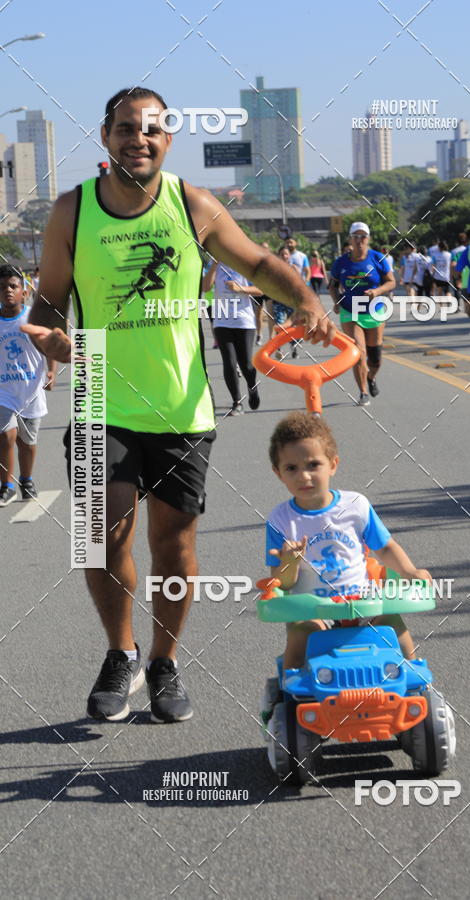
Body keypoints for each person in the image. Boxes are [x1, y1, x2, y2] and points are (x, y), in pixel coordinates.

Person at [22, 86, 335, 724]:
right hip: (99, 399)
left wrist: (306, 300)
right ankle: (120, 653)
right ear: (106, 137)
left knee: (174, 547)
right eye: (126, 129)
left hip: (179, 409)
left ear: (167, 140)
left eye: (153, 130)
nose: (139, 139)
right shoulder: (71, 212)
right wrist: (54, 337)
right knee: (99, 537)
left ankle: (163, 661)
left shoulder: (192, 205)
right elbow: (49, 302)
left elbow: (260, 260)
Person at [265, 413, 431, 670]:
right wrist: (289, 563)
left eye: (313, 465)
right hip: (314, 611)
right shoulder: (281, 519)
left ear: (332, 464)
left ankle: (415, 679)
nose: (304, 477)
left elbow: (385, 547)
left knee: (393, 624)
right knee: (300, 636)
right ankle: (290, 696)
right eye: (291, 468)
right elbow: (282, 582)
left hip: (363, 603)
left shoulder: (355, 505)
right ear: (278, 473)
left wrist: (409, 571)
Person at [0, 265, 56, 506]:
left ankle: (26, 479)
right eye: (2, 288)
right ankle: (7, 485)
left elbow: (49, 345)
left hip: (31, 391)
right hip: (4, 393)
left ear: (24, 291)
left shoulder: (34, 318)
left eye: (13, 286)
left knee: (27, 443)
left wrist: (51, 371)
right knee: (5, 436)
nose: (8, 291)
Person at [329, 222, 395, 406]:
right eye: (356, 237)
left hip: (374, 310)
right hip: (350, 310)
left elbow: (391, 282)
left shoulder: (378, 258)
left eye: (363, 236)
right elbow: (332, 285)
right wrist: (336, 302)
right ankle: (363, 392)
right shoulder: (341, 262)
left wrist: (378, 291)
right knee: (358, 352)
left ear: (368, 239)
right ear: (350, 239)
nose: (360, 240)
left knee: (376, 359)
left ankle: (371, 377)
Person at [202, 261, 261, 416]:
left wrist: (241, 289)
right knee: (229, 362)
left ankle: (252, 386)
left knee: (246, 365)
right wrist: (214, 265)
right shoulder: (215, 265)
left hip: (244, 321)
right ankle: (237, 402)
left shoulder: (244, 263)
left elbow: (260, 289)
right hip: (222, 321)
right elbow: (205, 287)